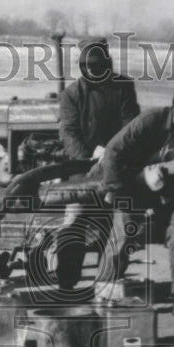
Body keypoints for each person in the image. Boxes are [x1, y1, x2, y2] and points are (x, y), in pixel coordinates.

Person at [97, 80, 174, 319]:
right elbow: (113, 151)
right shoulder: (152, 119)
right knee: (123, 235)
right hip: (129, 188)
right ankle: (103, 291)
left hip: (165, 195)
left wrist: (173, 181)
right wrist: (116, 191)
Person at [54, 37, 140, 295]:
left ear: (107, 63)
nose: (94, 70)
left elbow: (131, 127)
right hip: (83, 172)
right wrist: (91, 159)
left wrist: (110, 155)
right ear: (82, 66)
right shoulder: (71, 95)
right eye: (88, 65)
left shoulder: (123, 87)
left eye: (98, 64)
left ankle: (106, 284)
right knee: (73, 224)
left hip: (118, 168)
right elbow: (68, 133)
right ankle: (66, 285)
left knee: (120, 227)